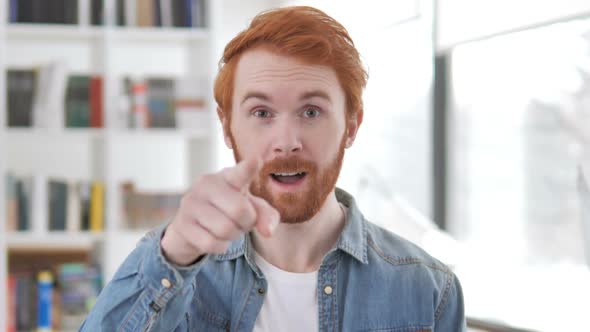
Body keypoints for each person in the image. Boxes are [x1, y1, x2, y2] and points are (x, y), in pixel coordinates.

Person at [81, 6, 466, 332]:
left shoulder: (429, 290)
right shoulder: (175, 269)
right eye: (261, 113)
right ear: (228, 127)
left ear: (351, 126)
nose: (286, 140)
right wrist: (176, 252)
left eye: (311, 111)